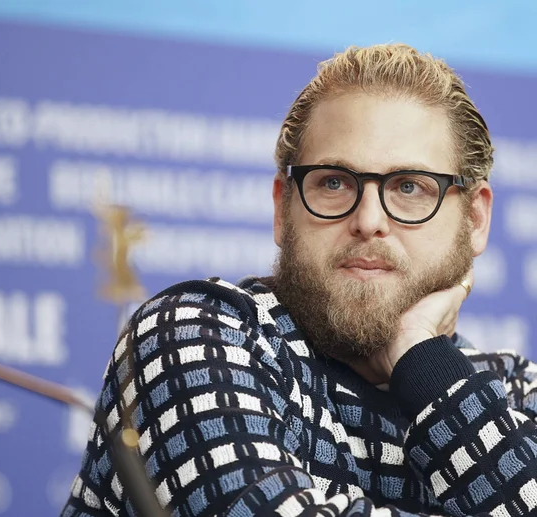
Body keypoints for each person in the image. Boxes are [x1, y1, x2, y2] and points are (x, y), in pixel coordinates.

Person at [61, 44, 537, 517]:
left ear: (474, 219)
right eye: (333, 182)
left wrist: (426, 362)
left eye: (409, 186)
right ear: (281, 208)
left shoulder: (517, 388)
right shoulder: (190, 336)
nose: (368, 219)